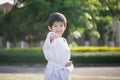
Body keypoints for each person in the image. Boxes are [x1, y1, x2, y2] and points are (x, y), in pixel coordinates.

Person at [43, 12, 74, 80]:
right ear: (50, 27)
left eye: (61, 25)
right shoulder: (51, 37)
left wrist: (66, 62)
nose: (58, 28)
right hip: (53, 71)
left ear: (65, 27)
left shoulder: (64, 40)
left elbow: (63, 55)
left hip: (63, 70)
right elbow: (50, 39)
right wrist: (52, 36)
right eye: (55, 26)